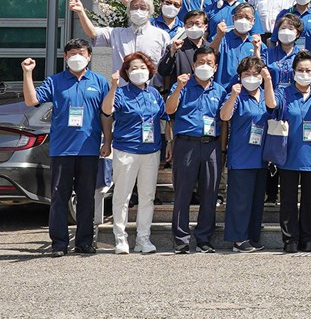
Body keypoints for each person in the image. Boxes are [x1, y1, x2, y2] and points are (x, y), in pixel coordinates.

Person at [21, 41, 109, 256]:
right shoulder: (55, 81)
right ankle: (59, 243)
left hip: (89, 149)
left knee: (86, 197)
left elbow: (106, 113)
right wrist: (27, 73)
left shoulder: (99, 82)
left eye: (81, 53)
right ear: (65, 57)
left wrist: (107, 140)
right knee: (59, 197)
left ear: (89, 57)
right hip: (62, 150)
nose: (76, 56)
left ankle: (84, 242)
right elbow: (31, 100)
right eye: (72, 53)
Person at [102, 52, 167, 255]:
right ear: (126, 73)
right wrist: (113, 85)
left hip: (151, 151)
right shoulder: (120, 93)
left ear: (149, 70)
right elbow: (106, 110)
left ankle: (143, 239)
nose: (138, 71)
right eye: (133, 68)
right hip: (126, 150)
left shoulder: (154, 94)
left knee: (147, 196)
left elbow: (165, 118)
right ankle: (120, 238)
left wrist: (170, 143)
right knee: (122, 196)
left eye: (142, 67)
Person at [165, 46, 225, 254]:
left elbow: (224, 120)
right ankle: (181, 239)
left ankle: (204, 238)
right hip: (186, 144)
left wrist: (223, 148)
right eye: (200, 62)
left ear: (215, 67)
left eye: (209, 63)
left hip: (211, 145)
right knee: (182, 192)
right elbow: (169, 110)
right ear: (193, 65)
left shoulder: (220, 90)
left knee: (210, 192)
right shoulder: (182, 85)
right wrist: (179, 88)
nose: (204, 66)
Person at [220, 55, 276, 252]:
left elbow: (272, 107)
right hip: (241, 156)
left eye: (255, 74)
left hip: (261, 156)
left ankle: (252, 236)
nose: (251, 77)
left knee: (256, 200)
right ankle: (238, 238)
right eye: (247, 74)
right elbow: (224, 116)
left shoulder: (264, 93)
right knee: (240, 200)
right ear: (240, 76)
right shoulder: (236, 94)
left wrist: (268, 81)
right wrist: (234, 95)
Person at [276, 50, 311, 253]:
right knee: (288, 198)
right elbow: (273, 107)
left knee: (309, 198)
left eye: (308, 70)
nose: (304, 73)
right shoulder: (285, 93)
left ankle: (308, 238)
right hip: (288, 153)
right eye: (300, 70)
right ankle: (289, 238)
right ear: (293, 71)